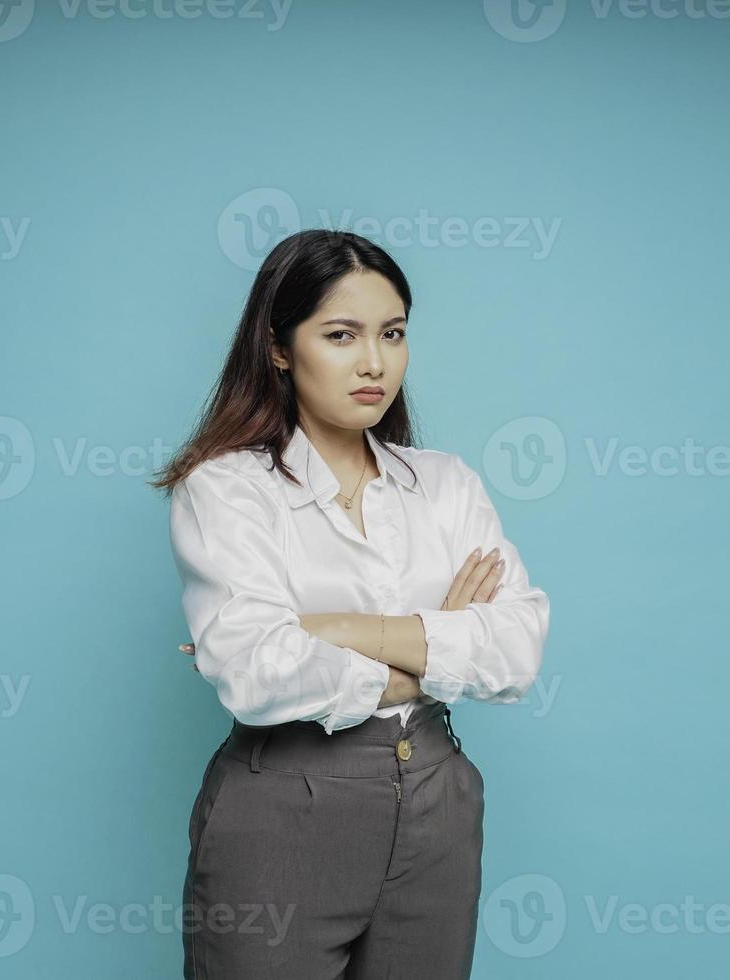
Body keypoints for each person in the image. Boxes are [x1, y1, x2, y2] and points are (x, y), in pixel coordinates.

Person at [151, 229, 551, 979]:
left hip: (439, 803)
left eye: (392, 334)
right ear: (278, 346)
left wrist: (333, 629)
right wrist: (437, 649)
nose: (374, 362)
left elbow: (516, 650)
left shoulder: (446, 484)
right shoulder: (228, 489)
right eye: (342, 335)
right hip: (282, 814)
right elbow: (257, 672)